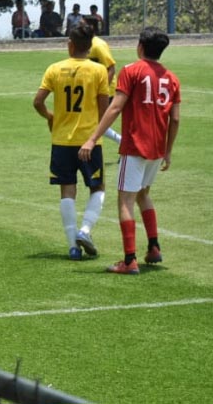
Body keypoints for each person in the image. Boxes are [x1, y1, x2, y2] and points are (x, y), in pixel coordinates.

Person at [79, 28, 180, 275]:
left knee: (125, 199)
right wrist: (168, 151)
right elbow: (175, 119)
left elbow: (114, 108)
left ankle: (129, 259)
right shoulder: (172, 78)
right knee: (144, 194)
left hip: (135, 144)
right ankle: (154, 247)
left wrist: (92, 138)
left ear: (141, 47)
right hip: (156, 148)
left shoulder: (131, 71)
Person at [32, 23, 110, 260]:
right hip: (89, 141)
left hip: (61, 141)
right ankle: (85, 230)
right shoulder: (98, 72)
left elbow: (37, 101)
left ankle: (72, 247)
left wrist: (50, 116)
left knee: (68, 191)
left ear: (70, 44)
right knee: (97, 188)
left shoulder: (55, 69)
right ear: (90, 46)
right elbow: (104, 110)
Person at [85, 15, 122, 144]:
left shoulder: (98, 45)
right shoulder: (85, 43)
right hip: (94, 88)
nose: (78, 26)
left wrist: (103, 89)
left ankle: (122, 142)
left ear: (90, 26)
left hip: (106, 90)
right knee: (94, 122)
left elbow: (111, 67)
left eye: (81, 24)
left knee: (97, 123)